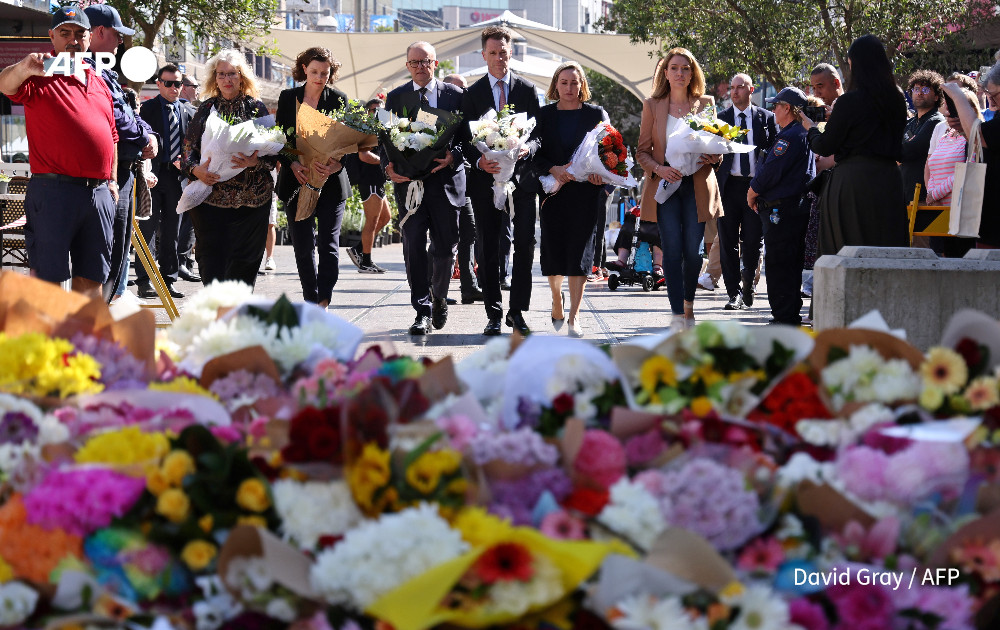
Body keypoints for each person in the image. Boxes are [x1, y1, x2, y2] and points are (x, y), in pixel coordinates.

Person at [0, 6, 118, 294]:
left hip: (99, 194)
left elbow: (112, 137)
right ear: (52, 36)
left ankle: (83, 339)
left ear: (90, 38)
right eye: (65, 33)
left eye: (80, 34)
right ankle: (48, 340)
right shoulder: (38, 76)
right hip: (54, 192)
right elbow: (4, 84)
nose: (73, 40)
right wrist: (23, 67)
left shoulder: (100, 82)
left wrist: (112, 183)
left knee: (92, 280)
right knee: (48, 283)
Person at [635, 48, 723, 330]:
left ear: (692, 73)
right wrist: (659, 169)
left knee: (694, 252)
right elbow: (642, 152)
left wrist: (714, 157)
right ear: (666, 72)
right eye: (674, 68)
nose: (680, 73)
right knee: (672, 251)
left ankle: (689, 306)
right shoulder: (652, 105)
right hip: (666, 186)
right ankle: (677, 314)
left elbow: (717, 147)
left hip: (697, 185)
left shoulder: (706, 103)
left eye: (686, 68)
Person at [462, 25, 541, 337]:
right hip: (487, 182)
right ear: (484, 55)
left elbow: (538, 135)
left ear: (511, 54)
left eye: (504, 53)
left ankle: (517, 312)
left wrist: (527, 148)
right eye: (493, 53)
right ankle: (494, 314)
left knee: (525, 244)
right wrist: (479, 160)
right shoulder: (472, 93)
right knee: (489, 248)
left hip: (522, 183)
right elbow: (463, 140)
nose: (499, 58)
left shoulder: (527, 90)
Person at [384, 41, 466, 335]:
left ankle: (439, 296)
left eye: (425, 61)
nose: (420, 67)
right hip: (410, 186)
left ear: (436, 63)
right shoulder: (396, 97)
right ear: (407, 65)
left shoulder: (456, 96)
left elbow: (468, 137)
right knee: (414, 246)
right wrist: (388, 166)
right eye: (414, 62)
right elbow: (386, 139)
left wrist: (453, 155)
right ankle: (422, 310)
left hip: (445, 182)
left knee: (445, 246)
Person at [802, 35, 909, 257]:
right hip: (889, 181)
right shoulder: (897, 98)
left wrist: (811, 128)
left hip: (853, 184)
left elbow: (824, 145)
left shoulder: (850, 101)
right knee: (887, 250)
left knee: (849, 252)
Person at [182, 49, 277, 288]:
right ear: (215, 78)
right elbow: (186, 152)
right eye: (222, 74)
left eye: (232, 74)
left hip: (253, 200)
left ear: (241, 77)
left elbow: (276, 152)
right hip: (211, 200)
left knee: (245, 264)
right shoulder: (205, 109)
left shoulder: (256, 108)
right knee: (211, 261)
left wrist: (256, 162)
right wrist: (196, 170)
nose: (227, 79)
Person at [84, 4, 159, 303]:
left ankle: (104, 314)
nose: (121, 42)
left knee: (117, 255)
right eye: (117, 35)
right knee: (105, 256)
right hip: (109, 176)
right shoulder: (90, 68)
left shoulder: (105, 69)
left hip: (125, 171)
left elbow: (128, 108)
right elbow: (116, 115)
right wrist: (144, 138)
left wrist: (147, 135)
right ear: (100, 31)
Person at [530, 61, 608, 337]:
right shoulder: (544, 115)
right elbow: (534, 154)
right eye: (564, 82)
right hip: (554, 193)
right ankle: (555, 297)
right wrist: (554, 169)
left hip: (586, 193)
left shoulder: (595, 114)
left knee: (580, 254)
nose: (569, 87)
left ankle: (574, 316)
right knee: (554, 253)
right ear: (555, 86)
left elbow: (608, 152)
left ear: (582, 85)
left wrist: (603, 175)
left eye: (574, 82)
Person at [275, 47, 351, 307]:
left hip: (331, 185)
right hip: (297, 182)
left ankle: (324, 301)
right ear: (304, 69)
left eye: (325, 73)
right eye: (315, 71)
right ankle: (310, 301)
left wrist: (333, 166)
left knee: (329, 246)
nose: (320, 77)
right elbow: (279, 139)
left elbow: (349, 141)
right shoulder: (288, 98)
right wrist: (293, 164)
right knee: (303, 247)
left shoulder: (339, 99)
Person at [748, 87, 817, 325]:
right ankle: (787, 315)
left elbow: (771, 171)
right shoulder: (800, 133)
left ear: (787, 108)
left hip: (782, 209)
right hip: (793, 207)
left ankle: (784, 317)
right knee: (789, 263)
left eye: (776, 105)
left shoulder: (790, 136)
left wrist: (751, 191)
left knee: (779, 264)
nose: (773, 110)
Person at [715, 73, 777, 311]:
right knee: (727, 241)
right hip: (729, 186)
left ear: (751, 90)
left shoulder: (766, 118)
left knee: (753, 241)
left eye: (740, 87)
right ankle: (734, 294)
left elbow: (772, 152)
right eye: (732, 88)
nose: (735, 92)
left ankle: (748, 283)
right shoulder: (721, 118)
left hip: (756, 188)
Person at [138, 63, 196, 299]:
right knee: (148, 229)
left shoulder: (188, 111)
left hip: (176, 178)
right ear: (159, 84)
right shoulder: (147, 109)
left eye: (178, 84)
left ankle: (169, 280)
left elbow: (196, 144)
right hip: (153, 175)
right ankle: (144, 282)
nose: (174, 88)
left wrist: (188, 163)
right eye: (169, 83)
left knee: (173, 229)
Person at [802, 63, 845, 299]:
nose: (816, 93)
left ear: (836, 83)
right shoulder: (834, 110)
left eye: (820, 86)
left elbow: (829, 149)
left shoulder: (843, 106)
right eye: (813, 87)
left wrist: (811, 128)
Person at [945, 68, 1000, 248]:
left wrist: (959, 97)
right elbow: (984, 142)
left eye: (994, 94)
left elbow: (981, 136)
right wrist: (964, 127)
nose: (990, 100)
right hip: (989, 211)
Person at [441, 73, 484, 304]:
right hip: (443, 184)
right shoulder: (436, 114)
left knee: (469, 231)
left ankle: (469, 286)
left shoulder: (468, 115)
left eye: (465, 89)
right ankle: (438, 289)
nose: (463, 93)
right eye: (459, 88)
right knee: (445, 238)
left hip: (464, 182)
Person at [344, 97, 392, 274]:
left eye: (380, 109)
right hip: (369, 180)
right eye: (373, 109)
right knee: (372, 220)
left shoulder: (379, 129)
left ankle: (358, 248)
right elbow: (364, 156)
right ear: (367, 112)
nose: (377, 113)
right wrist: (385, 163)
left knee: (385, 218)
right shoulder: (365, 129)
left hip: (377, 180)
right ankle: (366, 261)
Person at [900, 70, 945, 204]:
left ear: (936, 96)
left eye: (925, 89)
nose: (919, 92)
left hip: (923, 198)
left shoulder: (936, 121)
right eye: (916, 89)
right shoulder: (910, 123)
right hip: (904, 194)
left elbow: (908, 151)